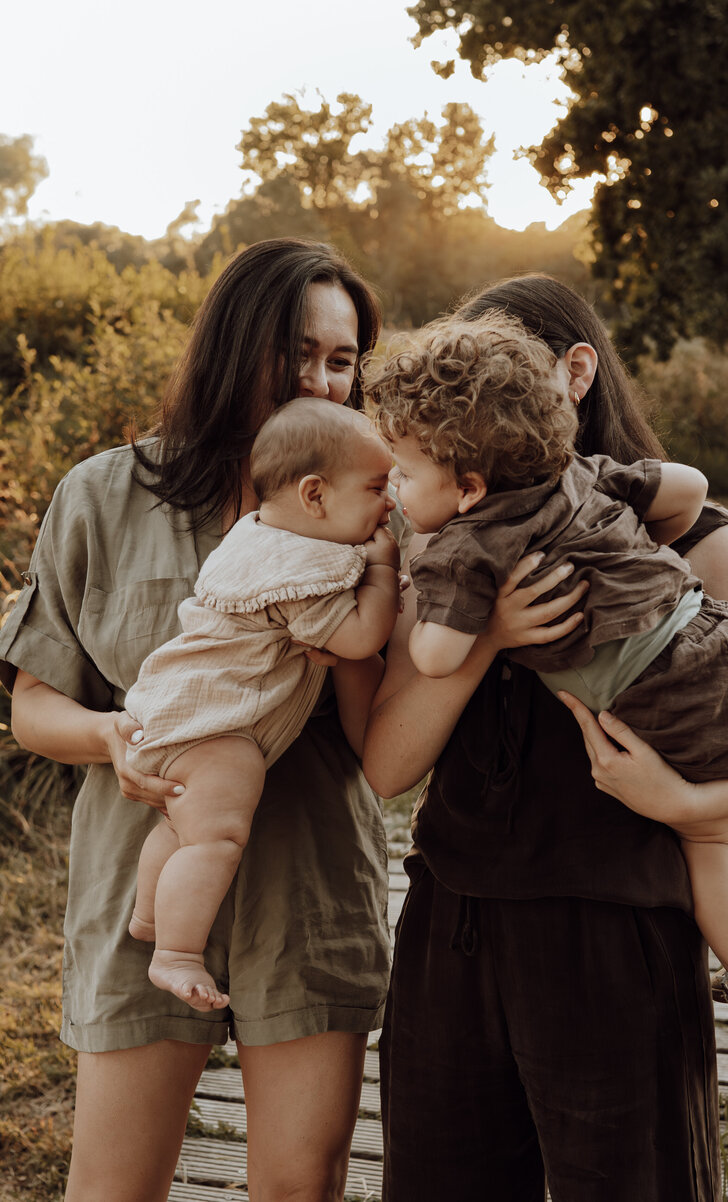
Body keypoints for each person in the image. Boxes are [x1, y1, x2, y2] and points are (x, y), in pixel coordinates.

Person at [362, 273, 728, 1202]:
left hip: (622, 937)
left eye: (497, 369)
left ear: (575, 372)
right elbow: (389, 768)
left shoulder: (696, 544)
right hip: (454, 930)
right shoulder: (448, 551)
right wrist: (494, 630)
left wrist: (694, 806)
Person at [0, 238, 411, 1202]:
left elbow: (380, 743)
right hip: (141, 878)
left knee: (298, 1190)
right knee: (112, 1189)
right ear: (233, 345)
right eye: (297, 350)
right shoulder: (102, 494)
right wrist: (108, 736)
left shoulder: (371, 506)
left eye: (342, 360)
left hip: (310, 882)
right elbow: (33, 710)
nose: (320, 379)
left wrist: (357, 632)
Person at [125, 399, 400, 1011]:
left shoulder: (258, 538)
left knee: (180, 825)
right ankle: (175, 954)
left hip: (173, 711)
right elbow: (359, 637)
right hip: (211, 725)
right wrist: (382, 570)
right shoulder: (302, 568)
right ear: (314, 494)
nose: (390, 503)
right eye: (378, 487)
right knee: (218, 835)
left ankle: (151, 915)